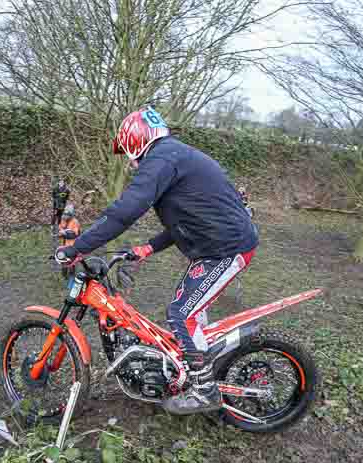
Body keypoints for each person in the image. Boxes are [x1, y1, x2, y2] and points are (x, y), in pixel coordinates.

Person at [55, 106, 258, 415]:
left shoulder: (160, 160)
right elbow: (187, 220)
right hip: (215, 245)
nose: (128, 160)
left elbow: (124, 212)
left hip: (226, 249)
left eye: (126, 151)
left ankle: (205, 391)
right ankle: (200, 367)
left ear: (137, 140)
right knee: (189, 314)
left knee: (181, 315)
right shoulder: (174, 156)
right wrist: (147, 248)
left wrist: (77, 249)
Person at [57, 203, 81, 278]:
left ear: (71, 215)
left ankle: (72, 274)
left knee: (71, 260)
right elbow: (60, 228)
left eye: (67, 215)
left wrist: (66, 234)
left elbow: (75, 234)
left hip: (72, 245)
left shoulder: (75, 222)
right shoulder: (63, 220)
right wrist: (60, 233)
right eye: (65, 214)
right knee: (62, 259)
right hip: (63, 244)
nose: (65, 216)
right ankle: (64, 275)